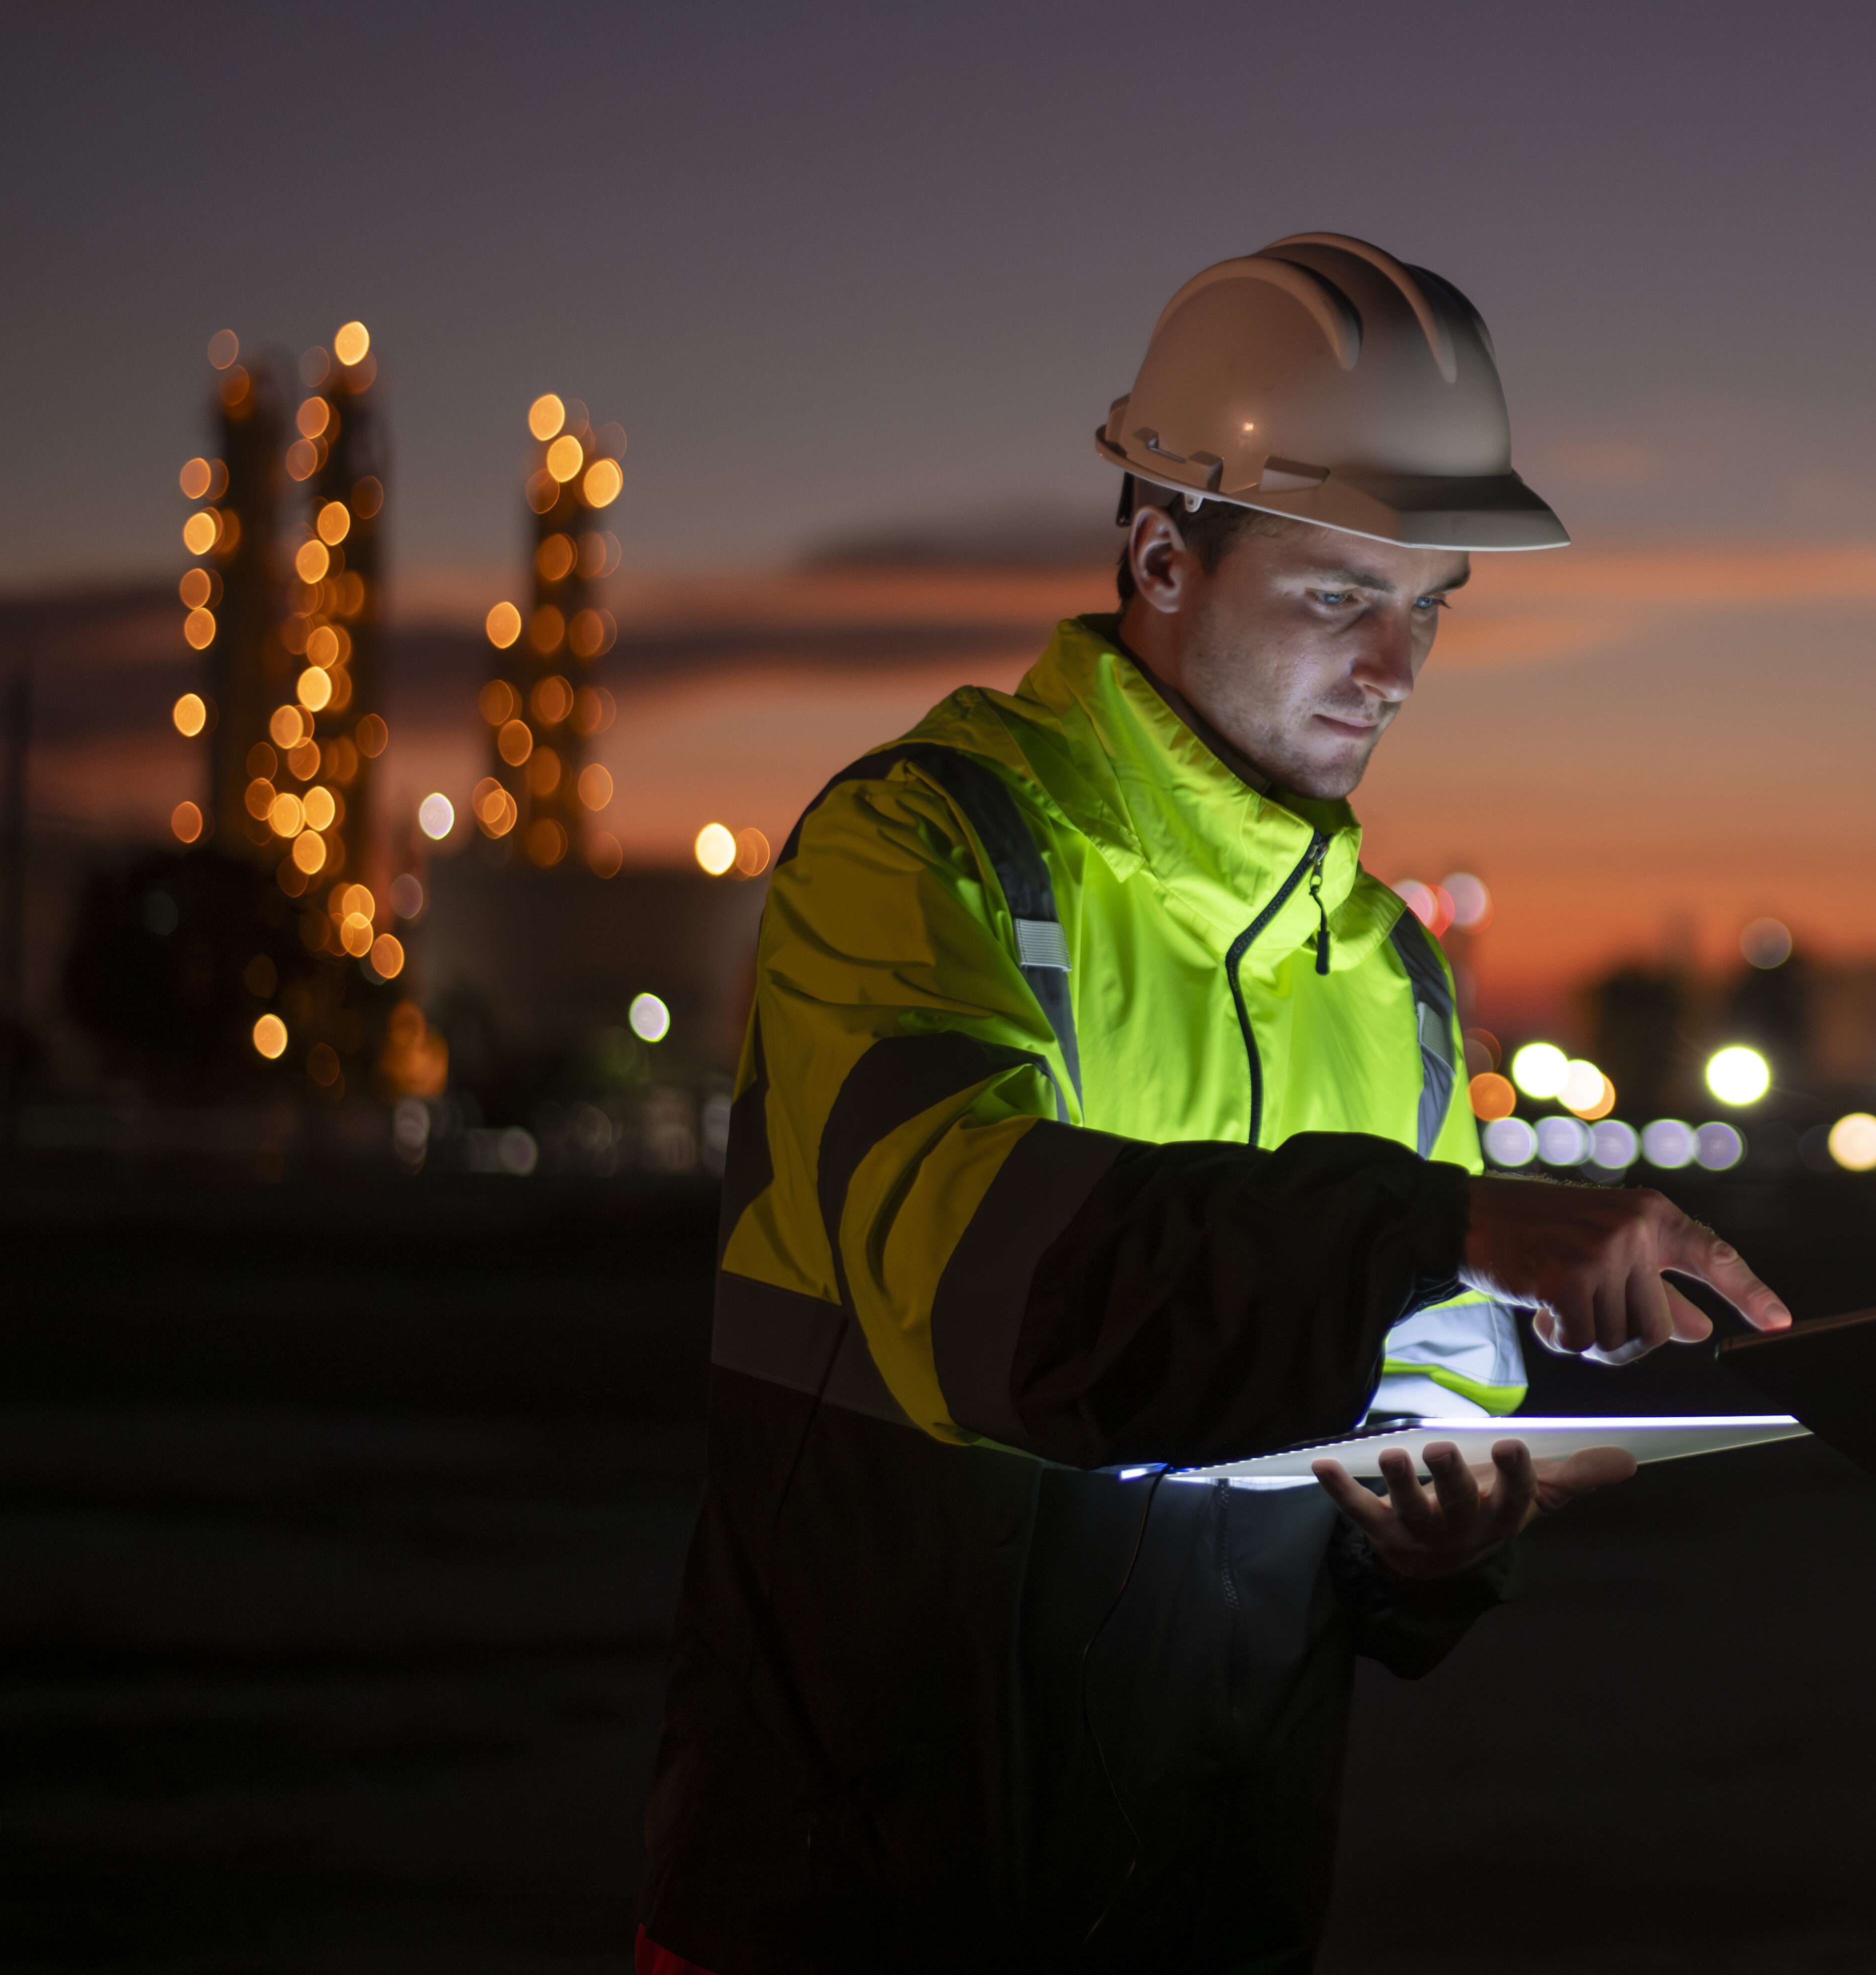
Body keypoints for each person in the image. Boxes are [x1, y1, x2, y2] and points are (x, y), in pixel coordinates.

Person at [637, 233, 1791, 1974]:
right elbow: (994, 1307)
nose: (1395, 670)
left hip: (1210, 1907)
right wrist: (1444, 1223)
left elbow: (1430, 1412)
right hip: (855, 1898)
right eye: (1341, 597)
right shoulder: (921, 853)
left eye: (1429, 609)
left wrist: (1443, 1541)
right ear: (1162, 551)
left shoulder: (1390, 979)